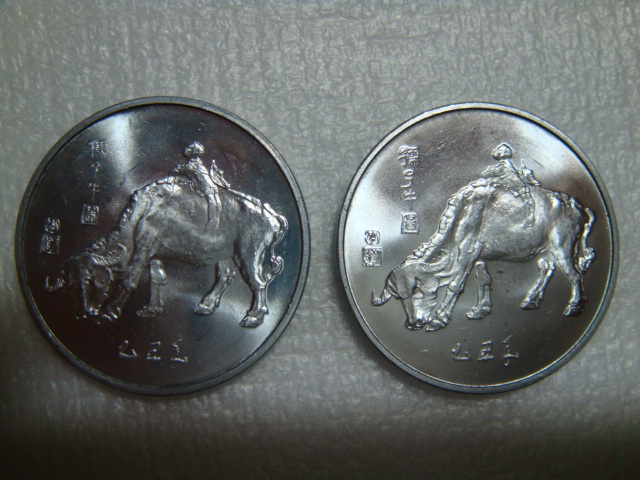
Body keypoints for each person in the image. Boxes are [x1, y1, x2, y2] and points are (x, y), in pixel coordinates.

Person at [172, 142, 230, 227]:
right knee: (216, 204)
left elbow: (183, 169)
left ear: (194, 152)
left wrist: (177, 168)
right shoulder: (199, 163)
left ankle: (212, 223)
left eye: (189, 148)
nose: (186, 149)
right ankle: (214, 222)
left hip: (206, 187)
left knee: (213, 203)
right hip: (211, 186)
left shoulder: (193, 164)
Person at [482, 143, 540, 228]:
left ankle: (530, 218)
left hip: (518, 186)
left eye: (499, 150)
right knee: (527, 201)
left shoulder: (504, 166)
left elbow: (489, 174)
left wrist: (489, 172)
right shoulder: (503, 165)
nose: (495, 151)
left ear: (504, 154)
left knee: (527, 201)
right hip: (513, 185)